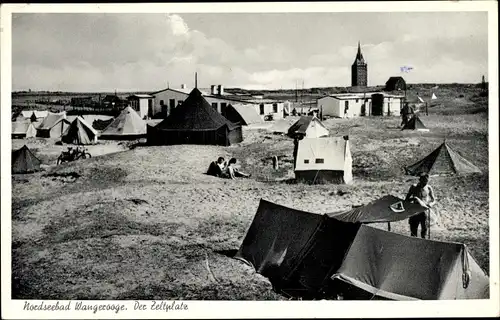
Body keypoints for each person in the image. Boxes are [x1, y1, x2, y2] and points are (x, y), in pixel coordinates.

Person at [405, 173, 436, 239]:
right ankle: (413, 245)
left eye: (426, 181)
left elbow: (433, 200)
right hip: (415, 211)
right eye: (424, 181)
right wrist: (414, 199)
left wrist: (430, 204)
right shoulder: (414, 187)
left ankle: (423, 245)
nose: (425, 183)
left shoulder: (428, 188)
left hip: (424, 211)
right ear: (420, 180)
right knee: (413, 232)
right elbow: (406, 199)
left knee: (424, 230)